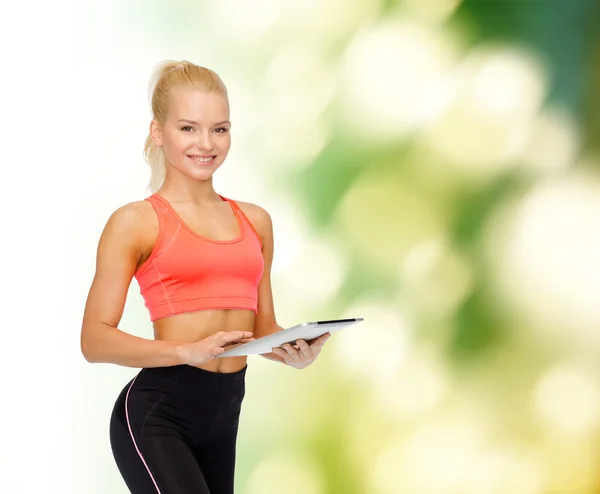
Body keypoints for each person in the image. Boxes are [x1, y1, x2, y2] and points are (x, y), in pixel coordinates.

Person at [80, 59, 331, 494]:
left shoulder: (256, 221)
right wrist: (186, 350)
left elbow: (261, 329)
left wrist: (292, 350)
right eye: (188, 128)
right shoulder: (135, 222)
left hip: (225, 413)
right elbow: (94, 340)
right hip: (158, 413)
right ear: (158, 132)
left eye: (219, 128)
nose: (206, 143)